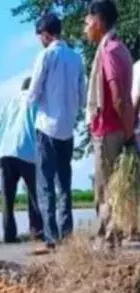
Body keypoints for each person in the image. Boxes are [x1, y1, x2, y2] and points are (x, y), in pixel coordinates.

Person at [29, 12, 85, 250]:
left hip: (47, 126)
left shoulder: (45, 56)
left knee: (45, 184)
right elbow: (82, 98)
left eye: (40, 35)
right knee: (65, 183)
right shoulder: (76, 58)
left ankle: (52, 238)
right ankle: (67, 234)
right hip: (68, 129)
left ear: (45, 34)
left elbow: (32, 93)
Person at [85, 0, 133, 245]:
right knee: (116, 188)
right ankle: (113, 236)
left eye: (88, 21)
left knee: (105, 191)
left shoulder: (109, 50)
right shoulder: (122, 49)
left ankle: (107, 241)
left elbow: (118, 95)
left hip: (108, 129)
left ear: (99, 21)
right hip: (118, 128)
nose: (86, 27)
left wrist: (126, 129)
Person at [0, 77, 45, 245]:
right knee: (35, 196)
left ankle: (9, 235)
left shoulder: (9, 103)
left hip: (5, 152)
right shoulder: (35, 101)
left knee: (7, 199)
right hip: (27, 150)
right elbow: (39, 127)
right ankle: (37, 232)